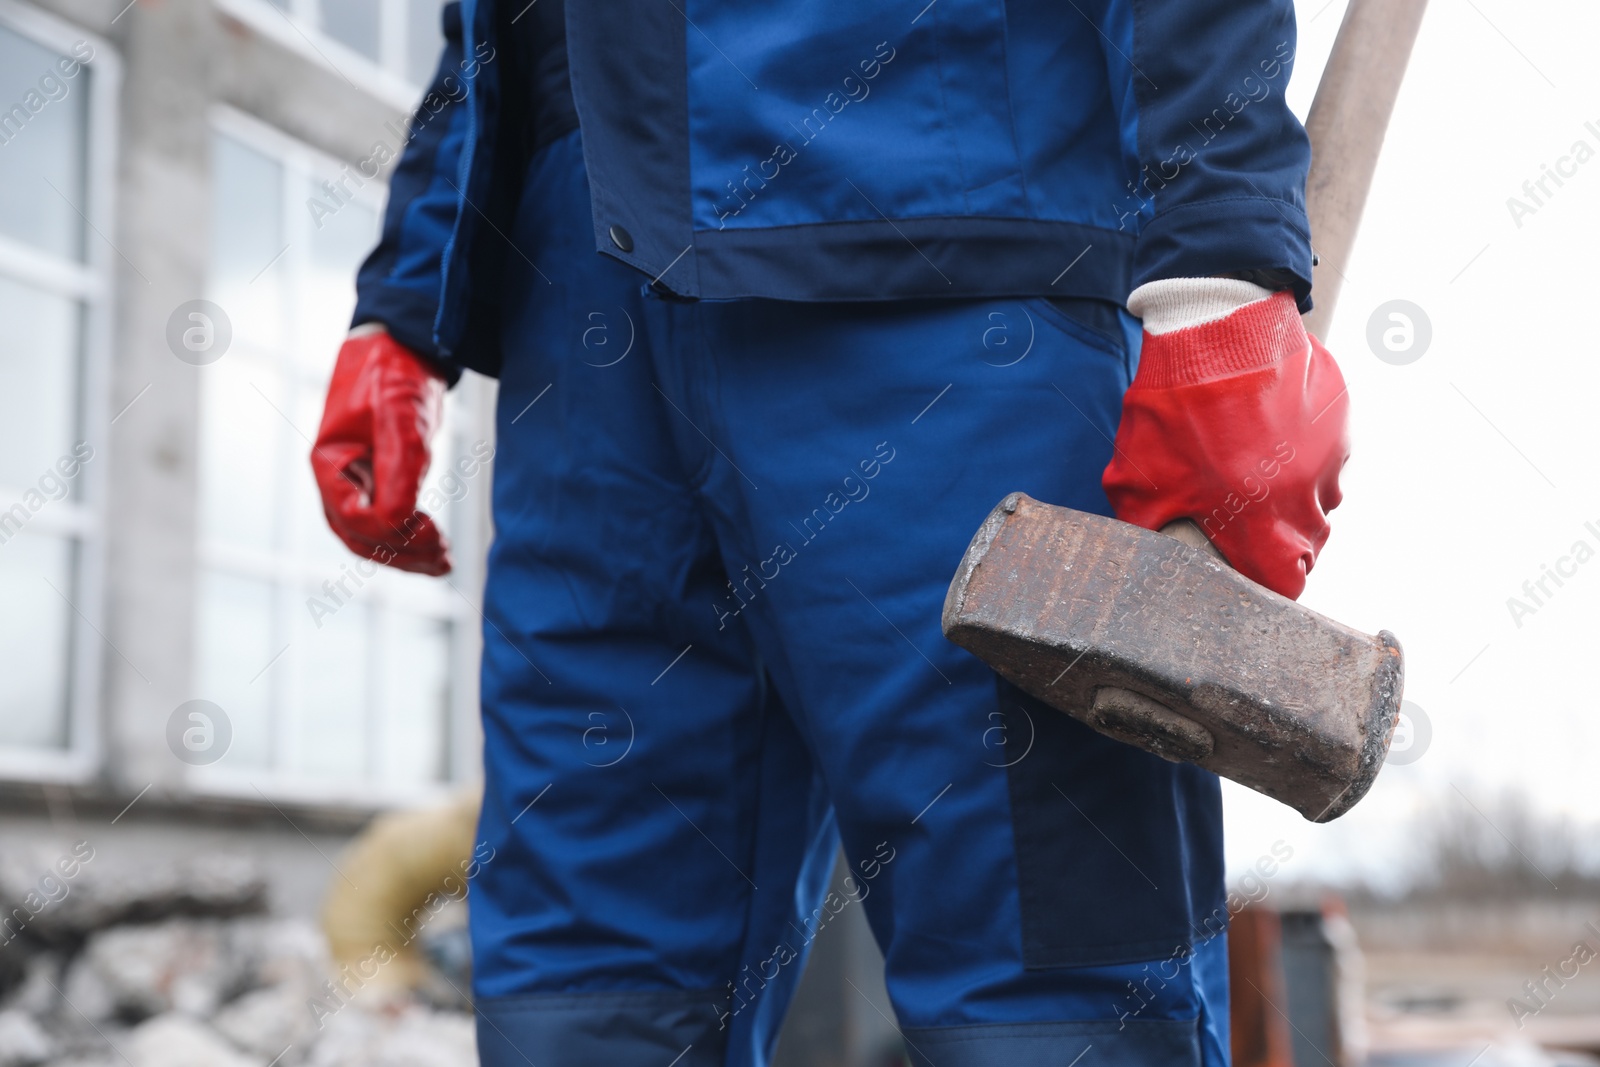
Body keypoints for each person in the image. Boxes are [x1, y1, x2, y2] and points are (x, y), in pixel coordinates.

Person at [311, 1, 1348, 1064]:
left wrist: (1219, 271)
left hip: (938, 233)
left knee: (1049, 975)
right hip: (581, 322)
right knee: (586, 980)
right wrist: (405, 297)